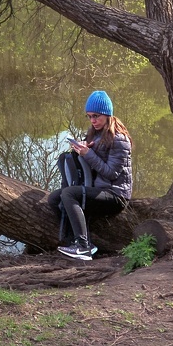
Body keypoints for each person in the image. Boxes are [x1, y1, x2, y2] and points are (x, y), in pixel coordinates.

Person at [48, 90, 133, 259]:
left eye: (96, 116)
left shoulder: (120, 139)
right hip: (100, 188)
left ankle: (83, 247)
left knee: (69, 193)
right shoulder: (96, 133)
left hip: (116, 195)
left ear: (107, 114)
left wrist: (88, 154)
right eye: (89, 116)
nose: (93, 120)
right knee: (54, 199)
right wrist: (83, 148)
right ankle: (73, 240)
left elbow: (111, 173)